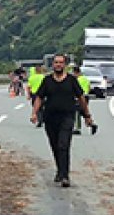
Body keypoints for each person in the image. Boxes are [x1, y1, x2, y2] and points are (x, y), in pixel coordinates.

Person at [31, 54, 95, 188]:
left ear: (65, 65)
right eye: (56, 62)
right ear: (53, 65)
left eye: (61, 62)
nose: (58, 65)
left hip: (67, 117)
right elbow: (39, 97)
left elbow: (81, 97)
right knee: (55, 146)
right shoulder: (47, 80)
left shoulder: (71, 80)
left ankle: (65, 176)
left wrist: (87, 115)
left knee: (63, 145)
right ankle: (60, 171)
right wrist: (34, 113)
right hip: (50, 118)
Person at [72, 65, 91, 134]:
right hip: (86, 96)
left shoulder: (77, 80)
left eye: (73, 73)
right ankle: (91, 124)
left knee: (77, 112)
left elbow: (75, 89)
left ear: (76, 72)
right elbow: (89, 87)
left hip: (79, 97)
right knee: (84, 112)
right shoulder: (85, 79)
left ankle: (77, 128)